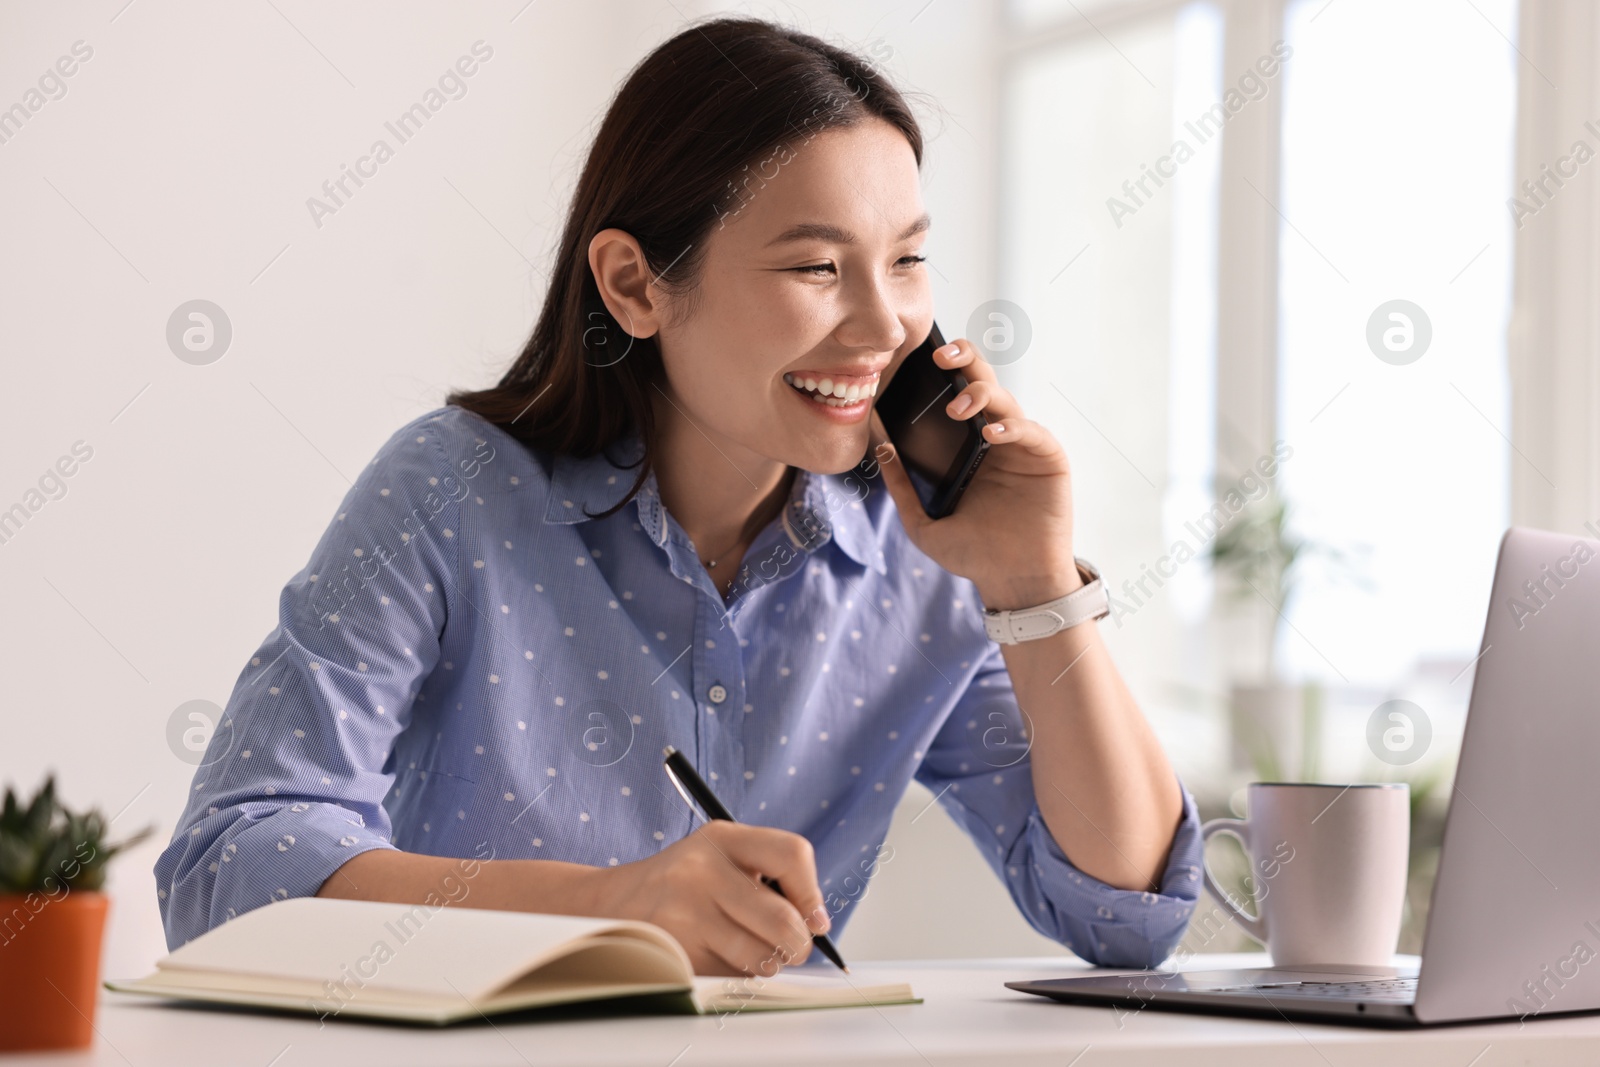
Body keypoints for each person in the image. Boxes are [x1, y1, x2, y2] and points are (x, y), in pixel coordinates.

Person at [155, 17, 1202, 977]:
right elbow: (229, 867)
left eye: (908, 259)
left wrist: (1036, 581)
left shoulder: (919, 554)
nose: (887, 325)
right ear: (634, 286)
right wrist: (613, 907)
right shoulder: (449, 492)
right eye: (816, 267)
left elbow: (1126, 914)